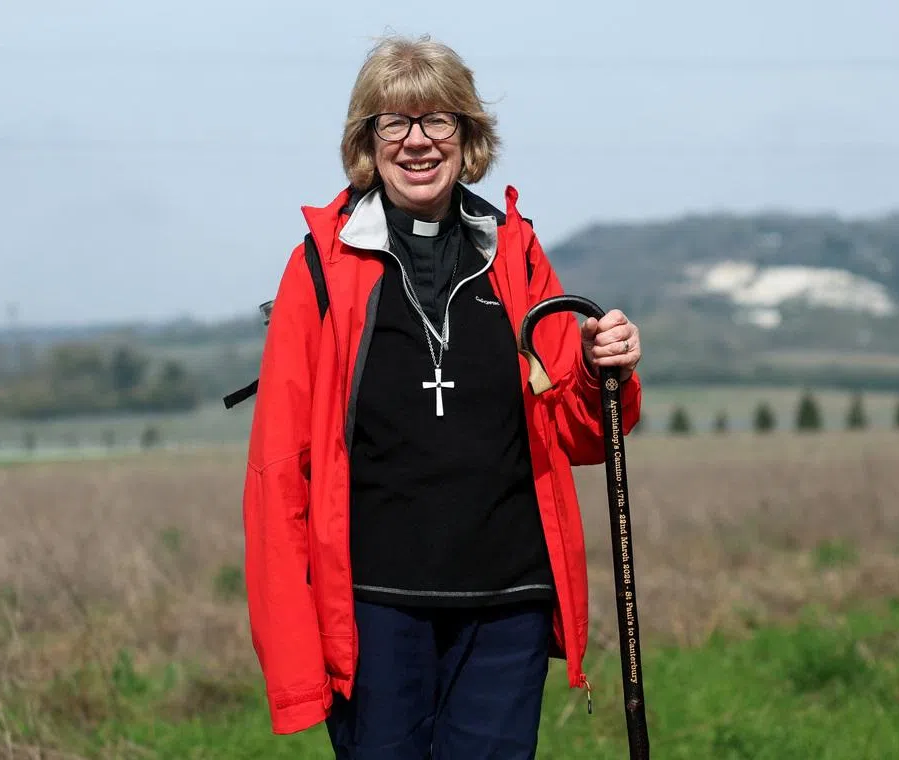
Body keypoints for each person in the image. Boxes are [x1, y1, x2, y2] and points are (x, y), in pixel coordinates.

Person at [240, 33, 643, 759]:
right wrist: (296, 650)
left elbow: (583, 430)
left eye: (439, 121)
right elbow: (279, 471)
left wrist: (600, 365)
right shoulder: (320, 267)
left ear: (468, 137)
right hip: (373, 607)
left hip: (507, 605)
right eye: (395, 123)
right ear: (368, 141)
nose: (418, 141)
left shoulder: (513, 249)